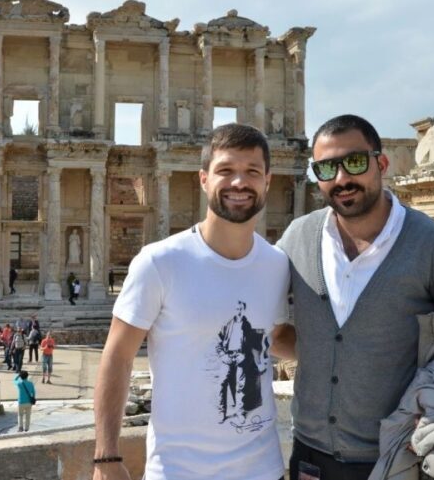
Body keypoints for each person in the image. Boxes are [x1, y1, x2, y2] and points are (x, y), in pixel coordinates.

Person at [273, 114, 434, 480]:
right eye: (326, 169)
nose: (341, 179)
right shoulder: (298, 237)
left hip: (399, 459)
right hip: (310, 457)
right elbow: (261, 317)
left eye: (355, 162)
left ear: (382, 163)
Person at [92, 123, 289, 480]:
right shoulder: (159, 262)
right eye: (225, 170)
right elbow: (117, 357)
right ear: (203, 179)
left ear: (267, 181)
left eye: (252, 172)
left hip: (263, 469)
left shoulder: (277, 264)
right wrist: (106, 457)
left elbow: (273, 337)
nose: (238, 183)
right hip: (179, 471)